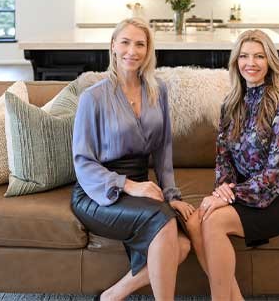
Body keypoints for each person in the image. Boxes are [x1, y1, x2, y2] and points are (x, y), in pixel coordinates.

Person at [71, 17, 194, 301]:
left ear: (148, 50)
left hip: (141, 186)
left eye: (140, 44)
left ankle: (113, 295)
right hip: (99, 190)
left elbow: (163, 148)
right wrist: (129, 186)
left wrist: (171, 194)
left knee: (183, 246)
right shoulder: (93, 97)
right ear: (113, 45)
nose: (132, 51)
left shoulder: (157, 90)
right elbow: (83, 161)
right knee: (163, 221)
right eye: (125, 42)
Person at [186, 29, 279, 300]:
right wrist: (223, 191)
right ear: (235, 62)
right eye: (243, 56)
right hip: (243, 188)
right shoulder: (230, 104)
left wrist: (228, 198)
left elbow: (275, 176)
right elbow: (223, 159)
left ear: (270, 62)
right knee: (195, 223)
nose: (250, 63)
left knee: (213, 222)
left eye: (258, 56)